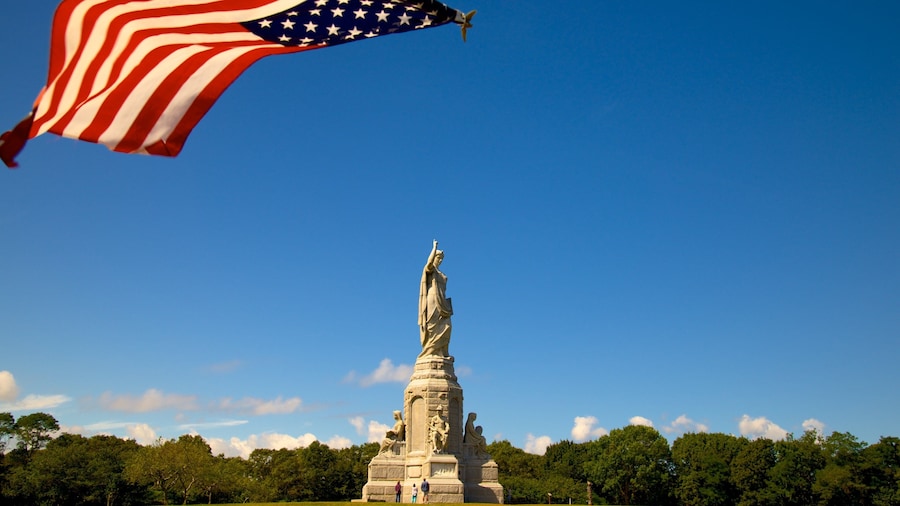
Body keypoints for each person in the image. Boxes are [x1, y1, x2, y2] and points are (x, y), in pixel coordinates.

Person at [418, 240, 452, 358]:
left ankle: (442, 352)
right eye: (438, 258)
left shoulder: (441, 273)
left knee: (447, 326)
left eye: (441, 258)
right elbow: (428, 264)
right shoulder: (430, 270)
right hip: (432, 300)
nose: (440, 260)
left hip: (443, 302)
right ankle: (430, 352)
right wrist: (434, 248)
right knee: (432, 326)